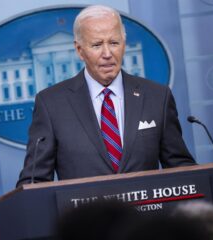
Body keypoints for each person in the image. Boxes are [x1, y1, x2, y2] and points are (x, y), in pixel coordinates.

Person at [16, 5, 195, 186]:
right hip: (87, 214)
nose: (107, 54)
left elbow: (181, 168)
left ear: (124, 45)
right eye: (97, 45)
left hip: (149, 213)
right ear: (79, 50)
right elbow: (34, 182)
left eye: (114, 43)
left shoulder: (157, 97)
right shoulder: (51, 104)